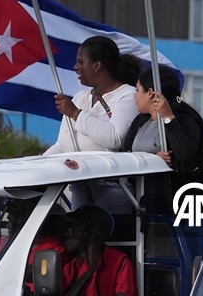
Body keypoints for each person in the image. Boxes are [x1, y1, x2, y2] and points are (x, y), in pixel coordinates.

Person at [46, 36, 141, 213]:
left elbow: (115, 138)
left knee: (100, 230)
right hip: (81, 187)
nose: (75, 67)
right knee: (78, 229)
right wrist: (39, 164)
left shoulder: (127, 96)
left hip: (112, 189)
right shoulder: (79, 98)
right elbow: (62, 145)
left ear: (97, 65)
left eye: (80, 62)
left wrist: (76, 114)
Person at [121, 68, 203, 214]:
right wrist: (151, 160)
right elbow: (125, 154)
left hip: (184, 202)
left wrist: (168, 118)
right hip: (146, 202)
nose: (135, 96)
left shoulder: (185, 119)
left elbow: (184, 152)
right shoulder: (140, 121)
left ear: (150, 93)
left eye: (138, 90)